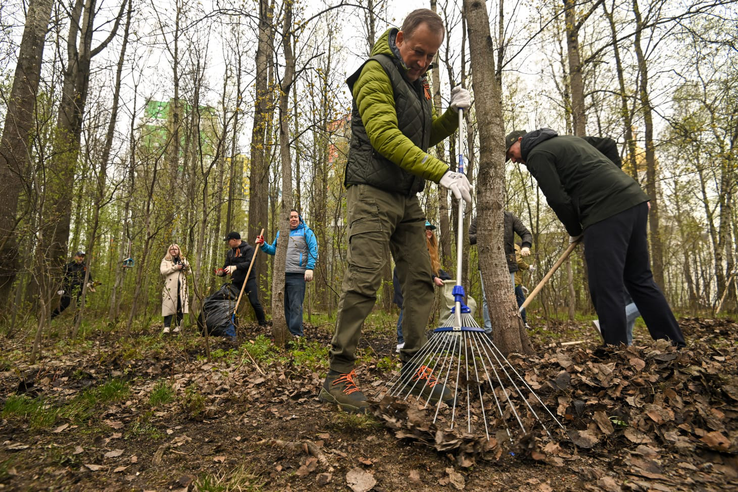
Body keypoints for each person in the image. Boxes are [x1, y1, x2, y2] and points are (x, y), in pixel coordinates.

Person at [319, 9, 472, 414]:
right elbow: (386, 137)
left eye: (430, 57)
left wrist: (451, 118)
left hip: (407, 198)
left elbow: (420, 137)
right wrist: (442, 172)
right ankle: (338, 374)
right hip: (371, 192)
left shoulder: (418, 84)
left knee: (423, 280)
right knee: (365, 280)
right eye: (418, 52)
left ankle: (414, 368)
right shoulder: (375, 73)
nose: (422, 62)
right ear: (401, 38)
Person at [505, 128, 685, 347]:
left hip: (605, 212)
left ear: (521, 141)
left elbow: (558, 199)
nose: (513, 160)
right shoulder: (569, 140)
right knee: (640, 279)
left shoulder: (537, 155)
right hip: (634, 202)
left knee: (605, 285)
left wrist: (574, 229)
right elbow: (608, 143)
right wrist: (618, 183)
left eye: (511, 153)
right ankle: (674, 344)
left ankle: (616, 350)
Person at [256, 210, 318, 337]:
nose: (293, 219)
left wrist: (310, 268)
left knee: (296, 305)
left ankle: (296, 334)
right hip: (282, 275)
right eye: (291, 217)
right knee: (284, 306)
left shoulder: (307, 231)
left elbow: (313, 249)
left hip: (298, 274)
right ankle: (287, 333)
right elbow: (275, 250)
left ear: (299, 218)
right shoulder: (281, 233)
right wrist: (263, 244)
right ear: (287, 220)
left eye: (296, 217)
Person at [469, 211, 532, 334]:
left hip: (508, 263)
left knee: (510, 297)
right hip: (487, 263)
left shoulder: (510, 217)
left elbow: (526, 233)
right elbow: (469, 237)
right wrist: (483, 235)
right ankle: (489, 330)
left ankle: (511, 329)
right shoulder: (480, 218)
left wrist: (526, 245)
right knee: (487, 297)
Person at [392, 221, 450, 353]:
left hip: (417, 277)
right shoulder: (414, 245)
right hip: (404, 275)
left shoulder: (430, 247)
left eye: (430, 229)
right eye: (426, 229)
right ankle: (401, 341)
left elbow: (434, 268)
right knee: (405, 306)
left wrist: (448, 278)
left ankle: (412, 339)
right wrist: (433, 278)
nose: (429, 231)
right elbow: (418, 265)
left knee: (415, 307)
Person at [217, 232, 267, 327]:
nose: (228, 243)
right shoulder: (230, 253)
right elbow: (226, 267)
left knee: (254, 301)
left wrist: (236, 266)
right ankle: (234, 324)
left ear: (234, 240)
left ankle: (262, 323)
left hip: (249, 280)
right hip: (236, 281)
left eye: (229, 241)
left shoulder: (249, 249)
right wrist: (222, 272)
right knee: (232, 303)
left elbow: (249, 263)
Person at [51, 251, 93, 320]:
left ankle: (76, 322)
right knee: (65, 304)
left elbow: (89, 277)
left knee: (81, 304)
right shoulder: (68, 266)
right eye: (79, 256)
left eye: (82, 257)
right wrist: (60, 289)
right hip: (69, 287)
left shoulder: (85, 267)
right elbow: (62, 278)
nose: (81, 258)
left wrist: (91, 285)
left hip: (80, 288)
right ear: (75, 257)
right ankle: (51, 316)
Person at [160, 244, 189, 334]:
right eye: (171, 249)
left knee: (180, 305)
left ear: (179, 250)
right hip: (170, 286)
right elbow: (163, 271)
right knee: (168, 305)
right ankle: (167, 326)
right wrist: (175, 268)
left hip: (181, 286)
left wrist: (185, 267)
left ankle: (178, 326)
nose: (173, 251)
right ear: (169, 250)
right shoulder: (165, 260)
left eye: (175, 249)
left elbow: (189, 272)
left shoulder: (183, 260)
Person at [513, 244, 534, 328]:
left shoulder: (515, 249)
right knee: (521, 300)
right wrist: (528, 267)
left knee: (518, 300)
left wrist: (521, 286)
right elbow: (518, 261)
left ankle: (521, 322)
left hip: (515, 282)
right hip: (513, 282)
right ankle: (523, 322)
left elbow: (517, 273)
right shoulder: (517, 248)